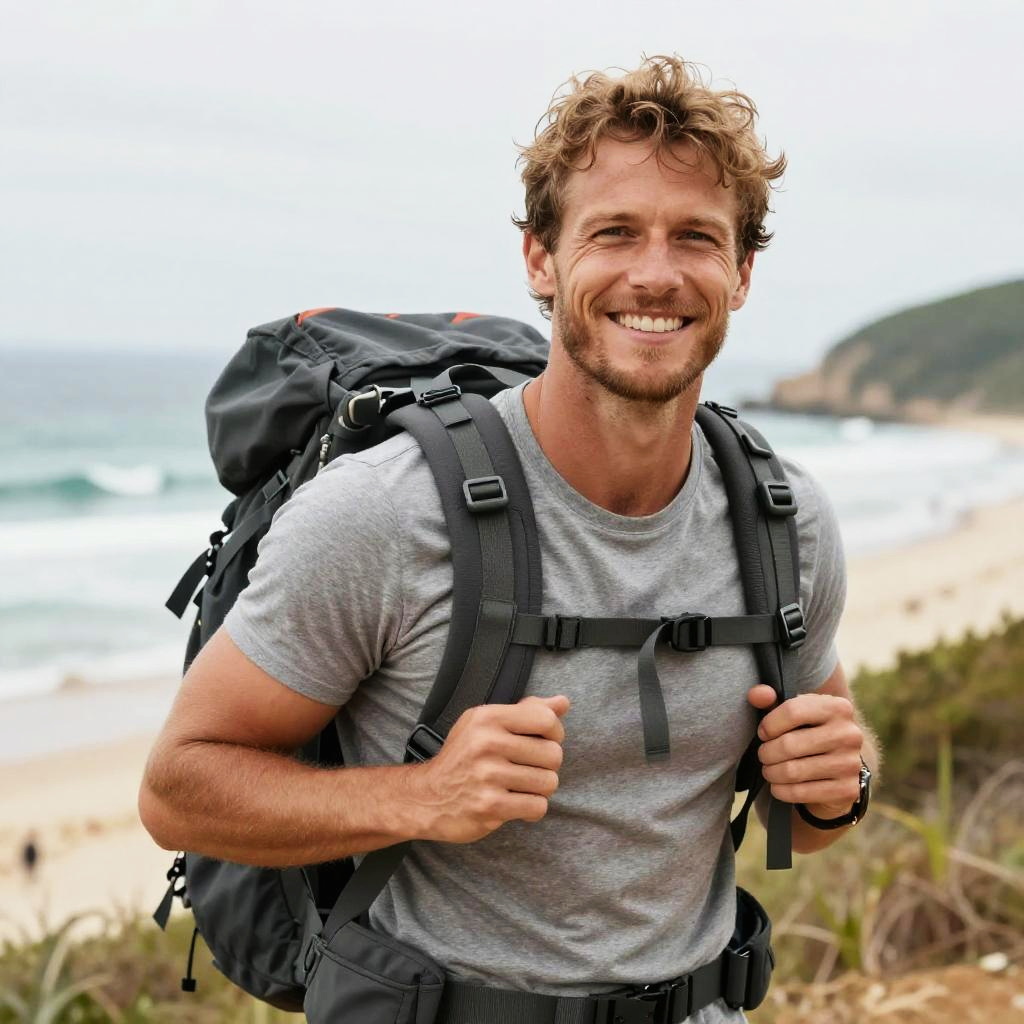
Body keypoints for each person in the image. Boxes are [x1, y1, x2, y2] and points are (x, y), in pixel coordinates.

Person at [139, 55, 879, 1023]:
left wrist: (838, 785)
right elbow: (179, 790)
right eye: (612, 232)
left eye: (695, 237)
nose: (654, 273)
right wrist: (420, 797)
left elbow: (815, 802)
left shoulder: (782, 520)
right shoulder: (386, 516)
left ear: (739, 272)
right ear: (541, 258)